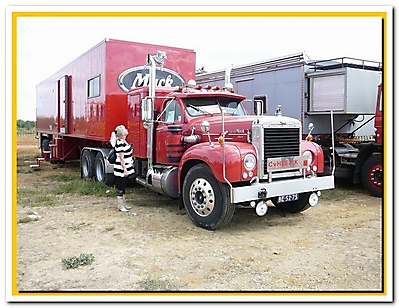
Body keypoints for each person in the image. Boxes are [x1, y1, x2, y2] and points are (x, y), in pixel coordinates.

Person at [110, 125, 135, 212]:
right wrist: (125, 170)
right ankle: (120, 205)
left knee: (123, 186)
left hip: (126, 167)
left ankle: (123, 204)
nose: (126, 130)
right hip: (121, 169)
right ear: (122, 133)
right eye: (124, 129)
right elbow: (121, 158)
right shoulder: (120, 143)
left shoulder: (124, 141)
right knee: (121, 186)